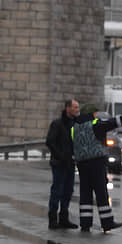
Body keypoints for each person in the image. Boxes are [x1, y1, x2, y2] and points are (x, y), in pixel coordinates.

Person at [72, 103, 122, 233]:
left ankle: (85, 223)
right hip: (96, 162)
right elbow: (114, 122)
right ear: (91, 114)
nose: (96, 115)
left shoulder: (75, 127)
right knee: (101, 193)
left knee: (85, 194)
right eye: (95, 113)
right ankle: (107, 222)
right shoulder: (95, 125)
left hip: (82, 163)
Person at [45, 98, 80, 229]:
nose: (78, 110)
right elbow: (50, 141)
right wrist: (60, 156)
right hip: (59, 163)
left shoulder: (75, 124)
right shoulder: (57, 124)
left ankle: (64, 218)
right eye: (75, 107)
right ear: (68, 108)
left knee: (68, 191)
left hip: (71, 163)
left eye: (78, 107)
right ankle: (52, 219)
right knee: (57, 190)